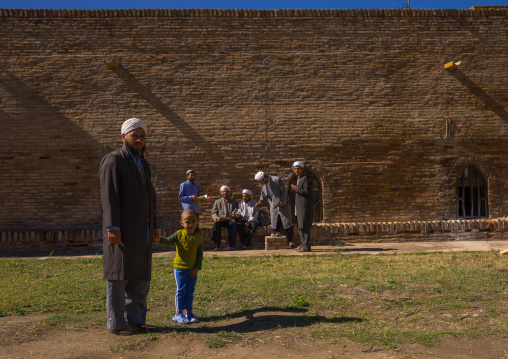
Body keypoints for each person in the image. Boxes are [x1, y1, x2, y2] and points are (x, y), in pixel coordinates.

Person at [99, 118, 159, 336]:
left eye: (142, 136)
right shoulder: (113, 160)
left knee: (140, 274)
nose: (139, 140)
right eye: (135, 135)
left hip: (141, 229)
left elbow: (150, 196)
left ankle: (136, 320)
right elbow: (109, 196)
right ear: (123, 136)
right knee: (119, 275)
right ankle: (115, 323)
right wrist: (112, 226)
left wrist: (154, 225)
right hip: (121, 230)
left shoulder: (143, 163)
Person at [157, 209, 203, 324]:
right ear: (182, 223)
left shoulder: (198, 238)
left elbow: (199, 255)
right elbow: (167, 241)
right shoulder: (179, 234)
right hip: (180, 269)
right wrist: (159, 239)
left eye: (193, 221)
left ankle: (189, 312)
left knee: (190, 291)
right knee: (181, 290)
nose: (191, 224)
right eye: (187, 222)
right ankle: (178, 313)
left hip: (192, 270)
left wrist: (196, 268)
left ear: (197, 221)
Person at [254, 171, 295, 247]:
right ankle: (275, 234)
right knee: (274, 218)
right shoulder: (262, 184)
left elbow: (284, 192)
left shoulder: (276, 180)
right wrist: (260, 203)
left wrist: (282, 202)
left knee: (287, 220)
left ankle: (290, 240)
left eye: (261, 181)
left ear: (265, 178)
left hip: (283, 203)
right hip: (273, 203)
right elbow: (263, 194)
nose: (261, 183)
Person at [290, 161, 312, 252]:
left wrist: (296, 188)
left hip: (304, 206)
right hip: (299, 207)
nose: (296, 170)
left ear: (302, 169)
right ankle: (303, 245)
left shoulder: (305, 179)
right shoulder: (299, 178)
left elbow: (307, 192)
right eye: (295, 169)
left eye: (298, 169)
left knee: (304, 226)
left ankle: (306, 246)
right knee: (300, 226)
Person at [211, 185, 238, 250]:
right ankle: (217, 246)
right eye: (223, 192)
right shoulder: (217, 202)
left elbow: (236, 211)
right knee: (216, 225)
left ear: (229, 193)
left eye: (226, 191)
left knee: (233, 225)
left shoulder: (233, 202)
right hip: (220, 220)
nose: (225, 193)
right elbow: (213, 213)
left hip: (229, 220)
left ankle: (232, 246)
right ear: (221, 193)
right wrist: (217, 218)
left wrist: (234, 214)